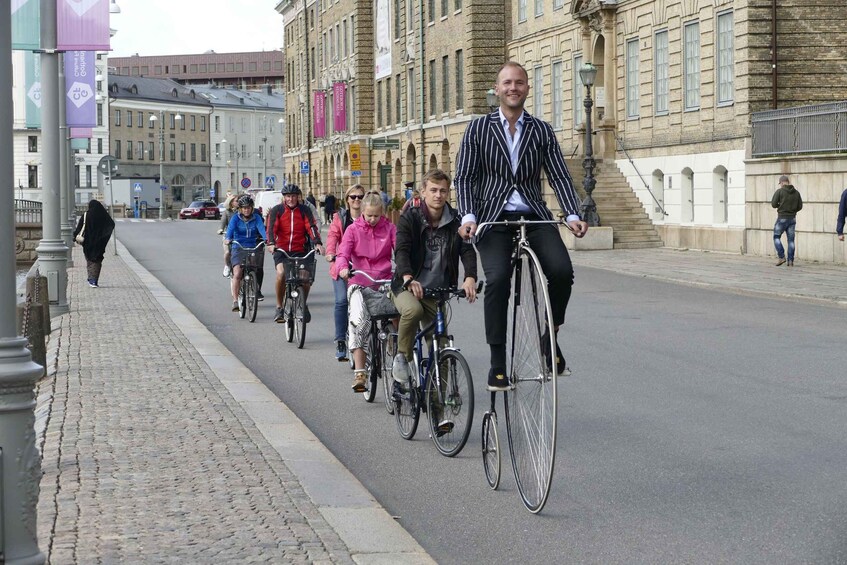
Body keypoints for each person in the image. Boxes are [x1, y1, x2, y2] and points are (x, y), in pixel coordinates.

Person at [454, 61, 588, 391]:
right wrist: (468, 216)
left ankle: (549, 335)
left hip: (533, 214)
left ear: (527, 88)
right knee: (498, 279)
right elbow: (465, 177)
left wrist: (572, 214)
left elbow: (559, 175)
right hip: (493, 217)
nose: (513, 88)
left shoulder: (541, 130)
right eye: (507, 83)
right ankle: (497, 363)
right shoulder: (478, 129)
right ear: (497, 89)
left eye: (519, 82)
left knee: (561, 271)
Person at [390, 169, 478, 425]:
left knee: (441, 349)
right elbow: (401, 250)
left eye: (443, 191)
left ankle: (438, 416)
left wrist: (470, 277)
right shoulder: (410, 217)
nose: (438, 195)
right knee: (412, 311)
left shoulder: (456, 220)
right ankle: (402, 358)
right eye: (433, 190)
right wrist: (408, 277)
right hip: (406, 286)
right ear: (423, 192)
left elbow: (467, 250)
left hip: (436, 292)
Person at [337, 193, 396, 392]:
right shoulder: (353, 230)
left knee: (400, 311)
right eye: (369, 215)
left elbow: (401, 249)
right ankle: (360, 372)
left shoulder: (390, 228)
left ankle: (396, 348)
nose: (372, 219)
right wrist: (343, 268)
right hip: (359, 282)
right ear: (362, 212)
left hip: (384, 280)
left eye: (376, 216)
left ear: (382, 213)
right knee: (359, 321)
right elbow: (343, 253)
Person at [266, 184, 323, 323]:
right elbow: (271, 228)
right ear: (284, 197)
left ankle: (302, 303)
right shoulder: (277, 210)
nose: (290, 199)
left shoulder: (304, 210)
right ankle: (279, 307)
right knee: (281, 274)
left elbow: (311, 227)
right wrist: (271, 243)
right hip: (282, 250)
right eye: (288, 196)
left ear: (298, 197)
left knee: (306, 279)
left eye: (293, 196)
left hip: (300, 249)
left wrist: (317, 243)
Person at [325, 184, 366, 361]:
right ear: (347, 200)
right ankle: (341, 340)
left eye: (360, 196)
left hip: (363, 267)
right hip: (342, 266)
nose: (357, 200)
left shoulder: (369, 216)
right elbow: (332, 236)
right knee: (342, 301)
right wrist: (330, 252)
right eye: (353, 197)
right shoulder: (340, 217)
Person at [224, 195, 267, 312]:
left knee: (255, 268)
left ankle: (253, 287)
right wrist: (228, 238)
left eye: (248, 207)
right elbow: (230, 230)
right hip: (238, 246)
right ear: (240, 209)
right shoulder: (235, 218)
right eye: (244, 208)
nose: (246, 210)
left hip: (252, 246)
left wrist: (267, 239)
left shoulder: (256, 218)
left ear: (252, 208)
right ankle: (235, 301)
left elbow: (262, 229)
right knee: (238, 273)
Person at [73, 199, 115, 288]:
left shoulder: (86, 215)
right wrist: (105, 235)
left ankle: (91, 279)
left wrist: (75, 236)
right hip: (100, 242)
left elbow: (80, 227)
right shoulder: (104, 215)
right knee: (97, 260)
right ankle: (94, 280)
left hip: (88, 242)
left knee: (89, 260)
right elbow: (111, 224)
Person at [771, 174, 803, 266]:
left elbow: (773, 204)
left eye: (780, 183)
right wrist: (793, 211)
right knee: (791, 240)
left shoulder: (779, 191)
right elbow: (800, 206)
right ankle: (790, 261)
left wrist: (780, 206)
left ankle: (781, 257)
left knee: (776, 237)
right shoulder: (796, 193)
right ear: (788, 182)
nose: (780, 185)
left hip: (782, 218)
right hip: (792, 219)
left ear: (782, 183)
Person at [218, 194, 239, 278]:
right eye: (236, 201)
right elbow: (222, 223)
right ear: (231, 202)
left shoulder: (241, 211)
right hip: (228, 236)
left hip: (239, 236)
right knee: (227, 252)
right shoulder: (226, 212)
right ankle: (227, 266)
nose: (238, 202)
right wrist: (221, 229)